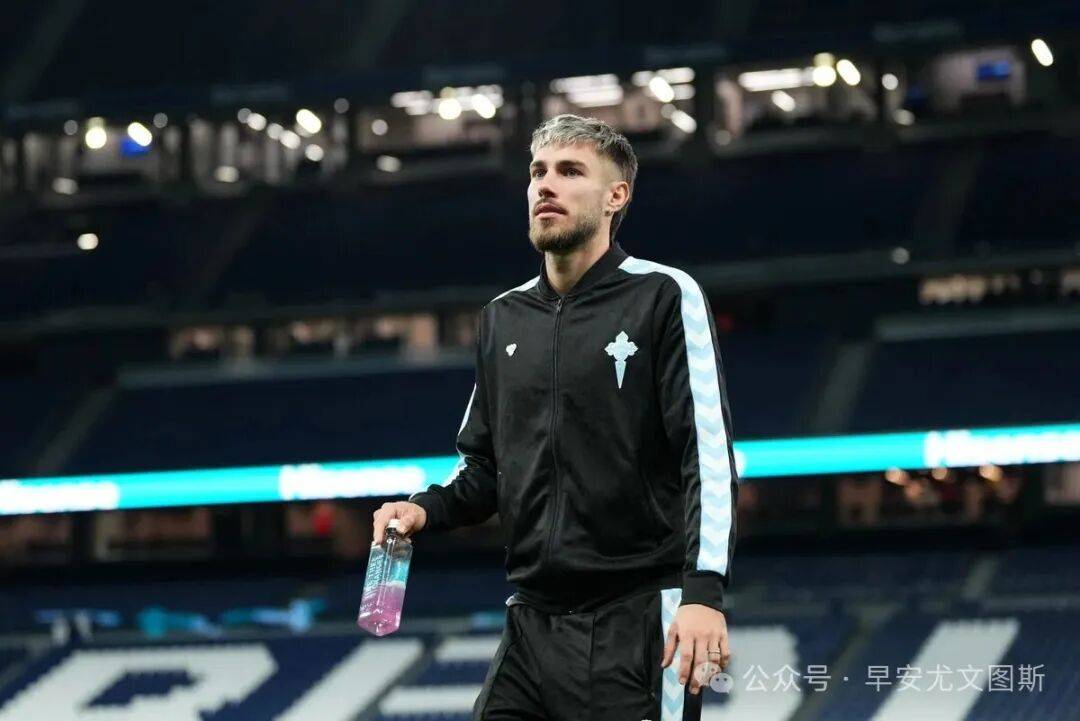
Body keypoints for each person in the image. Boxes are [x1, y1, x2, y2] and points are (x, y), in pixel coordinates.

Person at [373, 113, 738, 720]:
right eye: (538, 171)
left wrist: (704, 592)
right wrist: (424, 509)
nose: (546, 185)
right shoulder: (501, 317)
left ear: (616, 196)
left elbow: (707, 456)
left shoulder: (664, 295)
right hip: (531, 623)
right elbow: (485, 468)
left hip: (637, 618)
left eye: (570, 172)